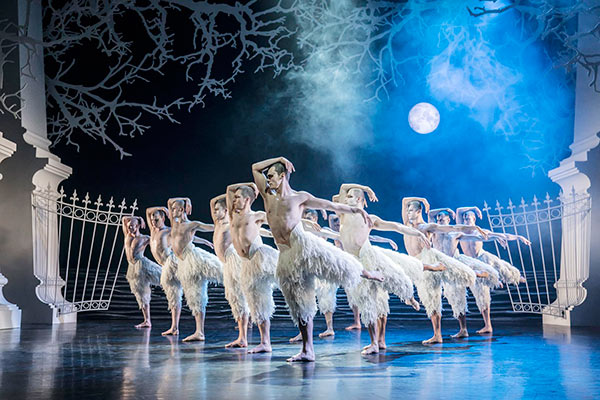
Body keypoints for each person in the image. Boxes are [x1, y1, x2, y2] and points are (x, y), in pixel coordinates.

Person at [252, 156, 383, 362]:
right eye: (267, 177)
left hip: (303, 246)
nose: (268, 180)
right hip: (286, 256)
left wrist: (355, 209)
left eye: (271, 176)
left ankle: (367, 273)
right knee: (299, 304)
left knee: (338, 263)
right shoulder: (267, 195)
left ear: (282, 176)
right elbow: (254, 167)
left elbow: (329, 205)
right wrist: (279, 158)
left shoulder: (299, 198)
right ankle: (307, 350)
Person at [336, 184, 428, 354]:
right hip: (356, 264)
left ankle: (407, 299)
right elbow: (342, 187)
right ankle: (374, 342)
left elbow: (396, 226)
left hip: (369, 257)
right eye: (346, 197)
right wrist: (367, 188)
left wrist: (419, 233)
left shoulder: (369, 218)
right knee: (368, 303)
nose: (345, 199)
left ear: (358, 199)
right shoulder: (342, 214)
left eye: (350, 197)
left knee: (392, 282)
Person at [401, 197, 487, 344]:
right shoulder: (406, 224)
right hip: (414, 263)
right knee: (427, 296)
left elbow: (453, 228)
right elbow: (404, 200)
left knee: (437, 295)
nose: (408, 213)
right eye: (407, 211)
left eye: (411, 210)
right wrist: (422, 199)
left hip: (427, 261)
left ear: (419, 211)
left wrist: (475, 228)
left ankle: (440, 334)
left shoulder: (427, 227)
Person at [428, 208, 502, 338]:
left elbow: (477, 236)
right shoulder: (434, 231)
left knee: (458, 298)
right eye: (438, 219)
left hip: (452, 267)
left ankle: (464, 329)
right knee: (438, 298)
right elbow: (430, 213)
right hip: (438, 267)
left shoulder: (455, 233)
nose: (439, 220)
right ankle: (440, 333)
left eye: (442, 218)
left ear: (449, 220)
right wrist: (445, 209)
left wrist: (498, 236)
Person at [456, 206, 530, 333]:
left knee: (501, 266)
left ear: (474, 219)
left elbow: (503, 235)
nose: (466, 220)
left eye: (468, 218)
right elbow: (458, 211)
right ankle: (488, 325)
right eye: (465, 218)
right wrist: (475, 208)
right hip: (471, 264)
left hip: (482, 257)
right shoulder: (461, 230)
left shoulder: (481, 232)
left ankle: (516, 277)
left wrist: (519, 237)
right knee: (481, 295)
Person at [226, 183, 279, 353]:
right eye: (234, 198)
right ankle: (251, 340)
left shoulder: (257, 216)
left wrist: (305, 223)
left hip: (260, 259)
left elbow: (281, 219)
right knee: (255, 302)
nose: (234, 200)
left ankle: (266, 342)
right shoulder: (233, 216)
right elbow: (229, 189)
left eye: (238, 198)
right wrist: (250, 185)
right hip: (246, 264)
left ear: (247, 199)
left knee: (263, 300)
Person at [168, 197, 223, 342]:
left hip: (192, 259)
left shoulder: (191, 224)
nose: (171, 211)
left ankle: (200, 332)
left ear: (181, 210)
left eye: (174, 209)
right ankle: (199, 331)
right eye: (172, 209)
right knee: (193, 296)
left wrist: (225, 222)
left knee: (197, 293)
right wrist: (187, 200)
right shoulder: (174, 223)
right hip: (182, 262)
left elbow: (210, 227)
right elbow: (169, 201)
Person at [122, 215, 162, 329]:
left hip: (143, 264)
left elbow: (158, 243)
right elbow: (123, 218)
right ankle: (147, 320)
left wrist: (141, 220)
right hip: (133, 268)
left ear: (138, 226)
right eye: (129, 226)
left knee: (164, 276)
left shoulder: (144, 238)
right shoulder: (127, 235)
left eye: (133, 226)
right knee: (141, 294)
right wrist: (139, 217)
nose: (130, 228)